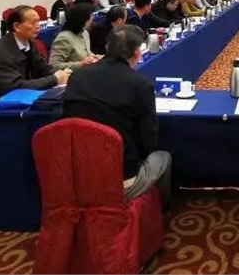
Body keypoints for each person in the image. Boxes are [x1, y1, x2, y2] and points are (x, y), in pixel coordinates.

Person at [63, 25, 172, 203]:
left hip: (79, 174)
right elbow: (148, 141)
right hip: (120, 180)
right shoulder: (140, 84)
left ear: (107, 48)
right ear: (137, 53)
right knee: (163, 157)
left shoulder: (78, 76)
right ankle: (159, 210)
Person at [0, 6, 71, 132]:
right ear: (16, 26)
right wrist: (54, 79)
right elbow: (14, 86)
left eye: (38, 21)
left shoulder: (28, 43)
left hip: (23, 102)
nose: (38, 26)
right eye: (33, 22)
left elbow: (44, 69)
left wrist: (65, 75)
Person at [48, 3, 99, 71]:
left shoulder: (84, 32)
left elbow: (86, 53)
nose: (92, 18)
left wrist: (94, 57)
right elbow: (53, 66)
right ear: (83, 19)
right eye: (90, 16)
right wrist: (80, 64)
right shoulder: (64, 38)